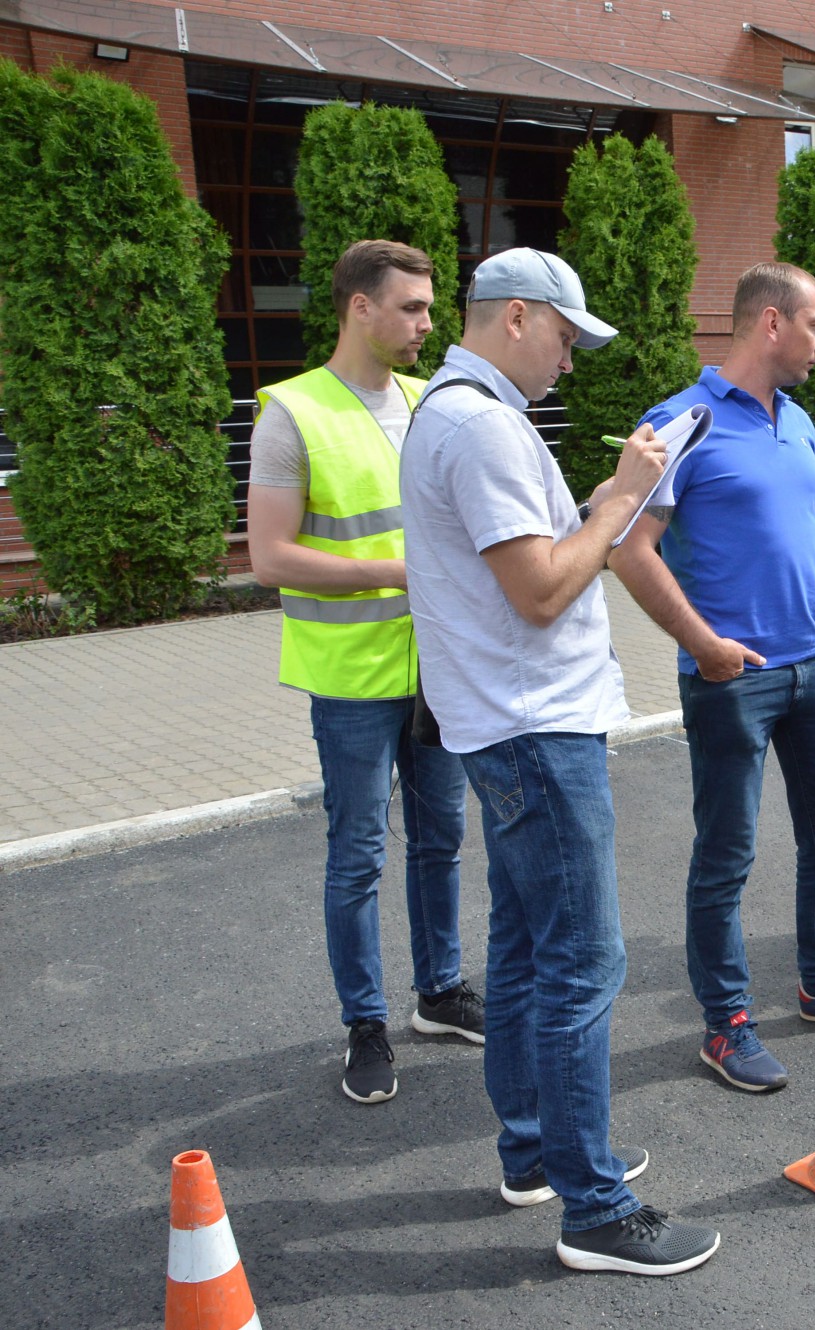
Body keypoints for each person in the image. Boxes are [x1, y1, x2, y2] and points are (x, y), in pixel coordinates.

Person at [400, 247, 719, 1276]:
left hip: (506, 723)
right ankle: (593, 1208)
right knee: (583, 960)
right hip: (532, 727)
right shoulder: (482, 424)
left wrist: (594, 511)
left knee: (533, 953)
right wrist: (623, 500)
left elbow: (529, 567)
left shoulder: (452, 412)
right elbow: (540, 591)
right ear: (519, 319)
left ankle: (537, 1152)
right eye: (568, 338)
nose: (573, 361)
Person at [608, 262, 815, 1096]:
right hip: (732, 679)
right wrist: (703, 645)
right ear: (770, 324)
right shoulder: (681, 423)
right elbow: (629, 548)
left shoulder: (800, 423)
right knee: (727, 856)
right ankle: (725, 1024)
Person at [246, 239, 478, 1106]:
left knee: (442, 839)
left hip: (437, 670)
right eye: (412, 308)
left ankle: (441, 993)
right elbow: (270, 558)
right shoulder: (293, 415)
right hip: (350, 675)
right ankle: (365, 1024)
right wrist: (403, 574)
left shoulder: (430, 402)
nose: (427, 323)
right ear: (359, 308)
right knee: (356, 858)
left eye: (429, 306)